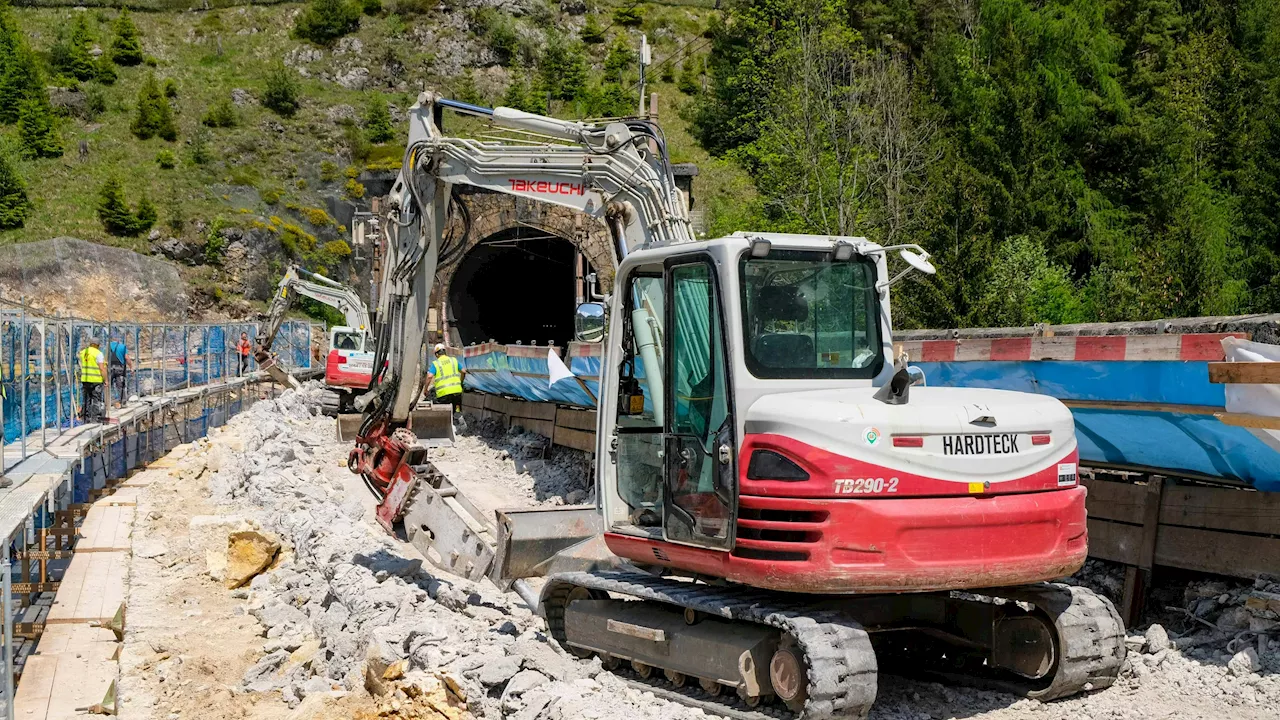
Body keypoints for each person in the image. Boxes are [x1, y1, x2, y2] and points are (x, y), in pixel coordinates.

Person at [423, 343, 463, 414]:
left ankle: (448, 422)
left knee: (445, 414)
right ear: (445, 352)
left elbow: (429, 376)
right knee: (456, 412)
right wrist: (461, 382)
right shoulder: (453, 360)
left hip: (444, 394)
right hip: (457, 391)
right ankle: (459, 421)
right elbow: (464, 371)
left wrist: (425, 389)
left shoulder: (436, 363)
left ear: (436, 354)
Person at [78, 339, 107, 423]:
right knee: (96, 399)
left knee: (86, 399)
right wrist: (106, 380)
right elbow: (102, 368)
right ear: (97, 345)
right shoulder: (98, 353)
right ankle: (94, 418)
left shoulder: (83, 352)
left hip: (85, 380)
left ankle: (85, 418)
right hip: (96, 380)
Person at [107, 337, 132, 409]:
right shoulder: (122, 347)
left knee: (108, 385)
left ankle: (107, 402)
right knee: (120, 386)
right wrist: (131, 367)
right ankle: (123, 402)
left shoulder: (107, 346)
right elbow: (127, 358)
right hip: (120, 368)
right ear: (118, 340)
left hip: (110, 368)